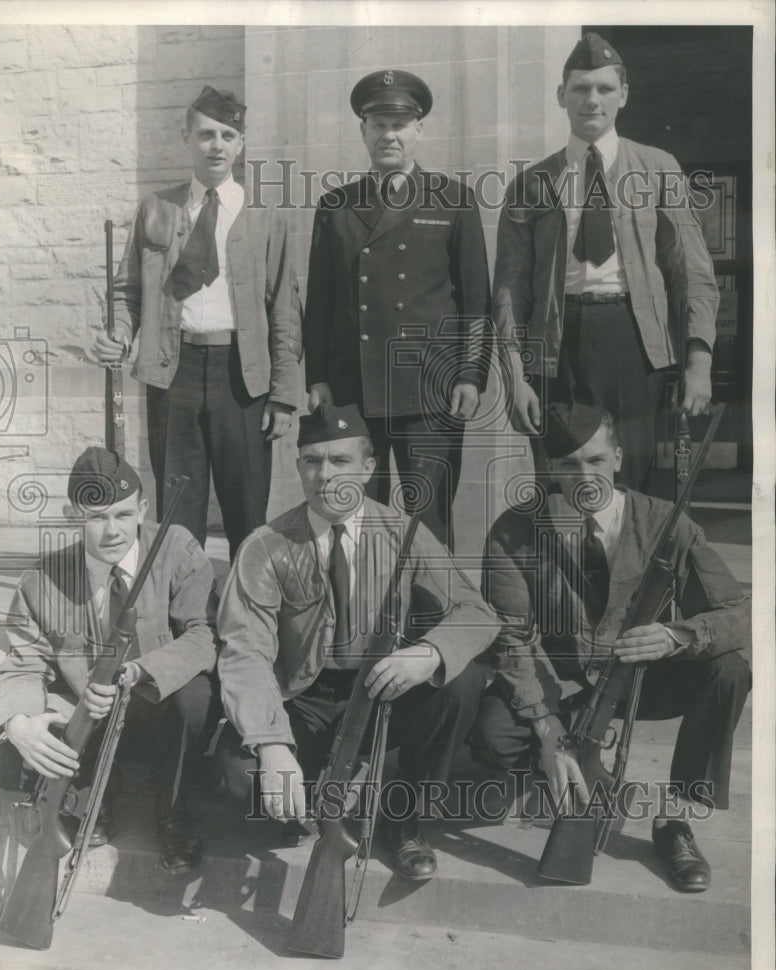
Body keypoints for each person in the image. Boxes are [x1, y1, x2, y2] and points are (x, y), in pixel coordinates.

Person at [469, 401, 750, 891]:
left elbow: (737, 614)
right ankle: (571, 775)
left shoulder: (667, 522)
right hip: (563, 684)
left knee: (728, 670)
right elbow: (510, 638)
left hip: (644, 680)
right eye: (568, 466)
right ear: (550, 470)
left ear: (618, 458)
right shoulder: (515, 531)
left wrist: (675, 635)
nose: (585, 477)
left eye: (596, 460)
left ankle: (675, 818)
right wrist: (547, 727)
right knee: (494, 734)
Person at [216, 403, 499, 880]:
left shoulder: (404, 532)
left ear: (368, 468)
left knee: (460, 683)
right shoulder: (265, 545)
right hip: (302, 697)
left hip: (383, 688)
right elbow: (245, 651)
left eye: (340, 461)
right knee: (241, 784)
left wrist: (427, 653)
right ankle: (313, 800)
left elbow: (477, 611)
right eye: (312, 461)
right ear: (299, 466)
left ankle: (402, 817)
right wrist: (271, 744)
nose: (325, 474)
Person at [493, 32, 719, 493]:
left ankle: (630, 568)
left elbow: (691, 272)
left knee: (631, 483)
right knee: (560, 483)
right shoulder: (531, 184)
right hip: (555, 349)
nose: (591, 100)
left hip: (634, 343)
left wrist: (699, 361)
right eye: (580, 89)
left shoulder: (659, 169)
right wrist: (515, 377)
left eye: (604, 89)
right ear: (562, 96)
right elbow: (510, 291)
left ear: (623, 95)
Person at [93, 86, 303, 560]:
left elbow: (285, 313)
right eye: (206, 134)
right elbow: (129, 291)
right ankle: (182, 614)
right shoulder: (156, 209)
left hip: (242, 375)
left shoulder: (266, 218)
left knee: (247, 506)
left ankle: (248, 617)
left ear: (241, 145)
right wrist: (120, 334)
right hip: (174, 370)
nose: (217, 146)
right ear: (187, 138)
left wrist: (285, 395)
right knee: (177, 508)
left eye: (228, 135)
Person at [0, 448, 221, 874]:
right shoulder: (42, 579)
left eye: (123, 514)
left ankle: (173, 809)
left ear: (143, 508)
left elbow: (202, 634)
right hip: (90, 716)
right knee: (6, 757)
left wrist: (139, 670)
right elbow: (24, 664)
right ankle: (94, 794)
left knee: (197, 696)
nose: (112, 530)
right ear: (71, 515)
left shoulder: (176, 546)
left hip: (158, 709)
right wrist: (16, 721)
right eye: (97, 517)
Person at [303, 69, 492, 549]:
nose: (389, 134)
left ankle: (431, 618)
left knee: (429, 517)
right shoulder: (336, 205)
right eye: (378, 124)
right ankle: (365, 616)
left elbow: (475, 302)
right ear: (363, 131)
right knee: (356, 513)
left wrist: (470, 374)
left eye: (400, 124)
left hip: (429, 388)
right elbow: (320, 303)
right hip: (353, 386)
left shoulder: (453, 200)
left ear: (419, 130)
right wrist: (318, 377)